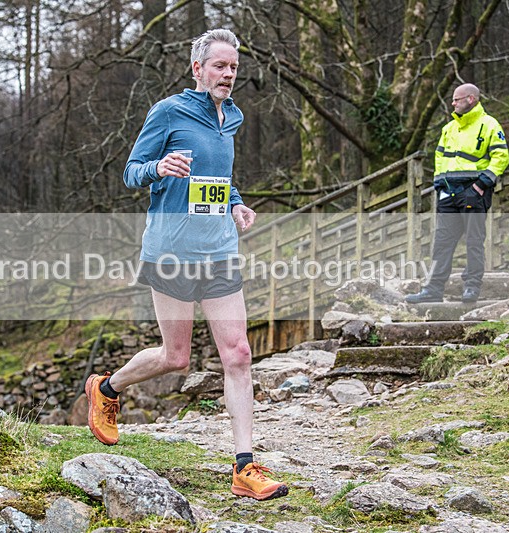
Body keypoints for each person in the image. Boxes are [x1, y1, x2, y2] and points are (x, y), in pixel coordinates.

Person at [85, 28, 288, 502]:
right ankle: (108, 388)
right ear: (198, 69)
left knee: (238, 353)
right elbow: (131, 170)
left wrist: (236, 203)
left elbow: (222, 177)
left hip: (218, 249)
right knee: (175, 357)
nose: (229, 74)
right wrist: (159, 168)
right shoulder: (168, 111)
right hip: (172, 251)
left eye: (234, 67)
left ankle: (244, 467)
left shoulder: (232, 117)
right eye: (220, 66)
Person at [406, 83, 509, 304]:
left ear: (471, 99)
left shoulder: (489, 124)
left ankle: (472, 288)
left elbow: (501, 156)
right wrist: (439, 186)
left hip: (474, 192)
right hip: (448, 194)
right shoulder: (449, 128)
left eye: (457, 99)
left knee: (474, 241)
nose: (452, 103)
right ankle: (433, 289)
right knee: (442, 243)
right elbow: (440, 158)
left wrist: (482, 184)